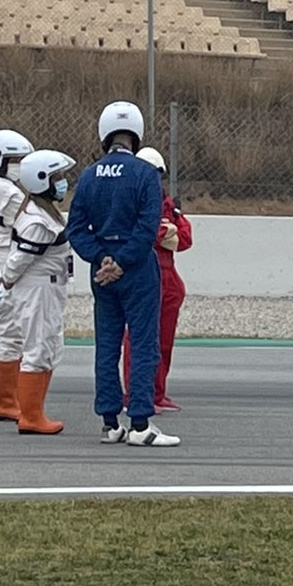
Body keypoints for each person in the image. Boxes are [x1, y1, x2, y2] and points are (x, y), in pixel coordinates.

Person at [66, 100, 175, 447]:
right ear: (137, 135)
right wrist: (123, 262)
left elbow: (77, 228)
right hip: (138, 269)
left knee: (107, 345)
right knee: (144, 344)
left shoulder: (88, 175)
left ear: (104, 134)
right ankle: (140, 423)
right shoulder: (145, 175)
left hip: (102, 273)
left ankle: (110, 422)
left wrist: (102, 260)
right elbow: (148, 229)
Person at [1, 149, 77, 436]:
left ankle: (35, 411)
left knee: (49, 348)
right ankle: (31, 416)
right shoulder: (37, 222)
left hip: (49, 288)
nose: (62, 182)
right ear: (41, 180)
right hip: (38, 290)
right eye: (56, 177)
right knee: (38, 349)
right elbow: (18, 260)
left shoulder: (44, 213)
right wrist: (6, 282)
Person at [119, 146, 192, 414]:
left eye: (157, 174)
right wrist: (164, 231)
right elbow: (149, 233)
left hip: (169, 278)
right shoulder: (129, 200)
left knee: (163, 340)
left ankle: (158, 394)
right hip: (142, 272)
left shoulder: (167, 204)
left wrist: (165, 231)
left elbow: (184, 239)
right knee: (138, 338)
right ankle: (136, 395)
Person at [0, 128, 33, 423]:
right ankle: (4, 401)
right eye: (16, 159)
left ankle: (8, 399)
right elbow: (30, 221)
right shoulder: (6, 191)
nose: (21, 166)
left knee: (12, 333)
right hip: (6, 262)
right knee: (12, 334)